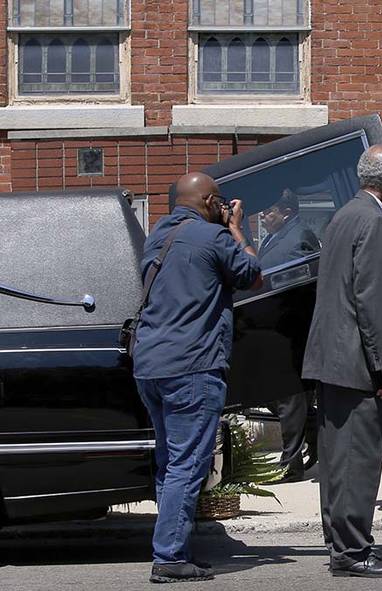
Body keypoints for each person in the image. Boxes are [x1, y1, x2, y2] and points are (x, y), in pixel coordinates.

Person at [133, 172, 263, 583]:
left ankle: (173, 544)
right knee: (188, 464)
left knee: (171, 463)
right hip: (192, 365)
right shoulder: (213, 238)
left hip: (151, 365)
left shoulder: (156, 236)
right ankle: (169, 555)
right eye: (221, 201)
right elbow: (253, 275)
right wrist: (237, 228)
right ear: (209, 201)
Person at [301, 145, 382, 578]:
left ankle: (343, 543)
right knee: (357, 459)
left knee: (338, 459)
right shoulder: (370, 218)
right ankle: (352, 551)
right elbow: (372, 297)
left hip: (334, 357)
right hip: (354, 362)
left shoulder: (346, 213)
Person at [258, 190, 322, 484]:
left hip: (292, 332)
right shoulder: (276, 236)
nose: (263, 216)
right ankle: (316, 433)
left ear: (285, 212)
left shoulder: (300, 237)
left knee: (289, 399)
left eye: (268, 211)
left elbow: (301, 286)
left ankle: (291, 464)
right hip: (274, 331)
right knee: (277, 397)